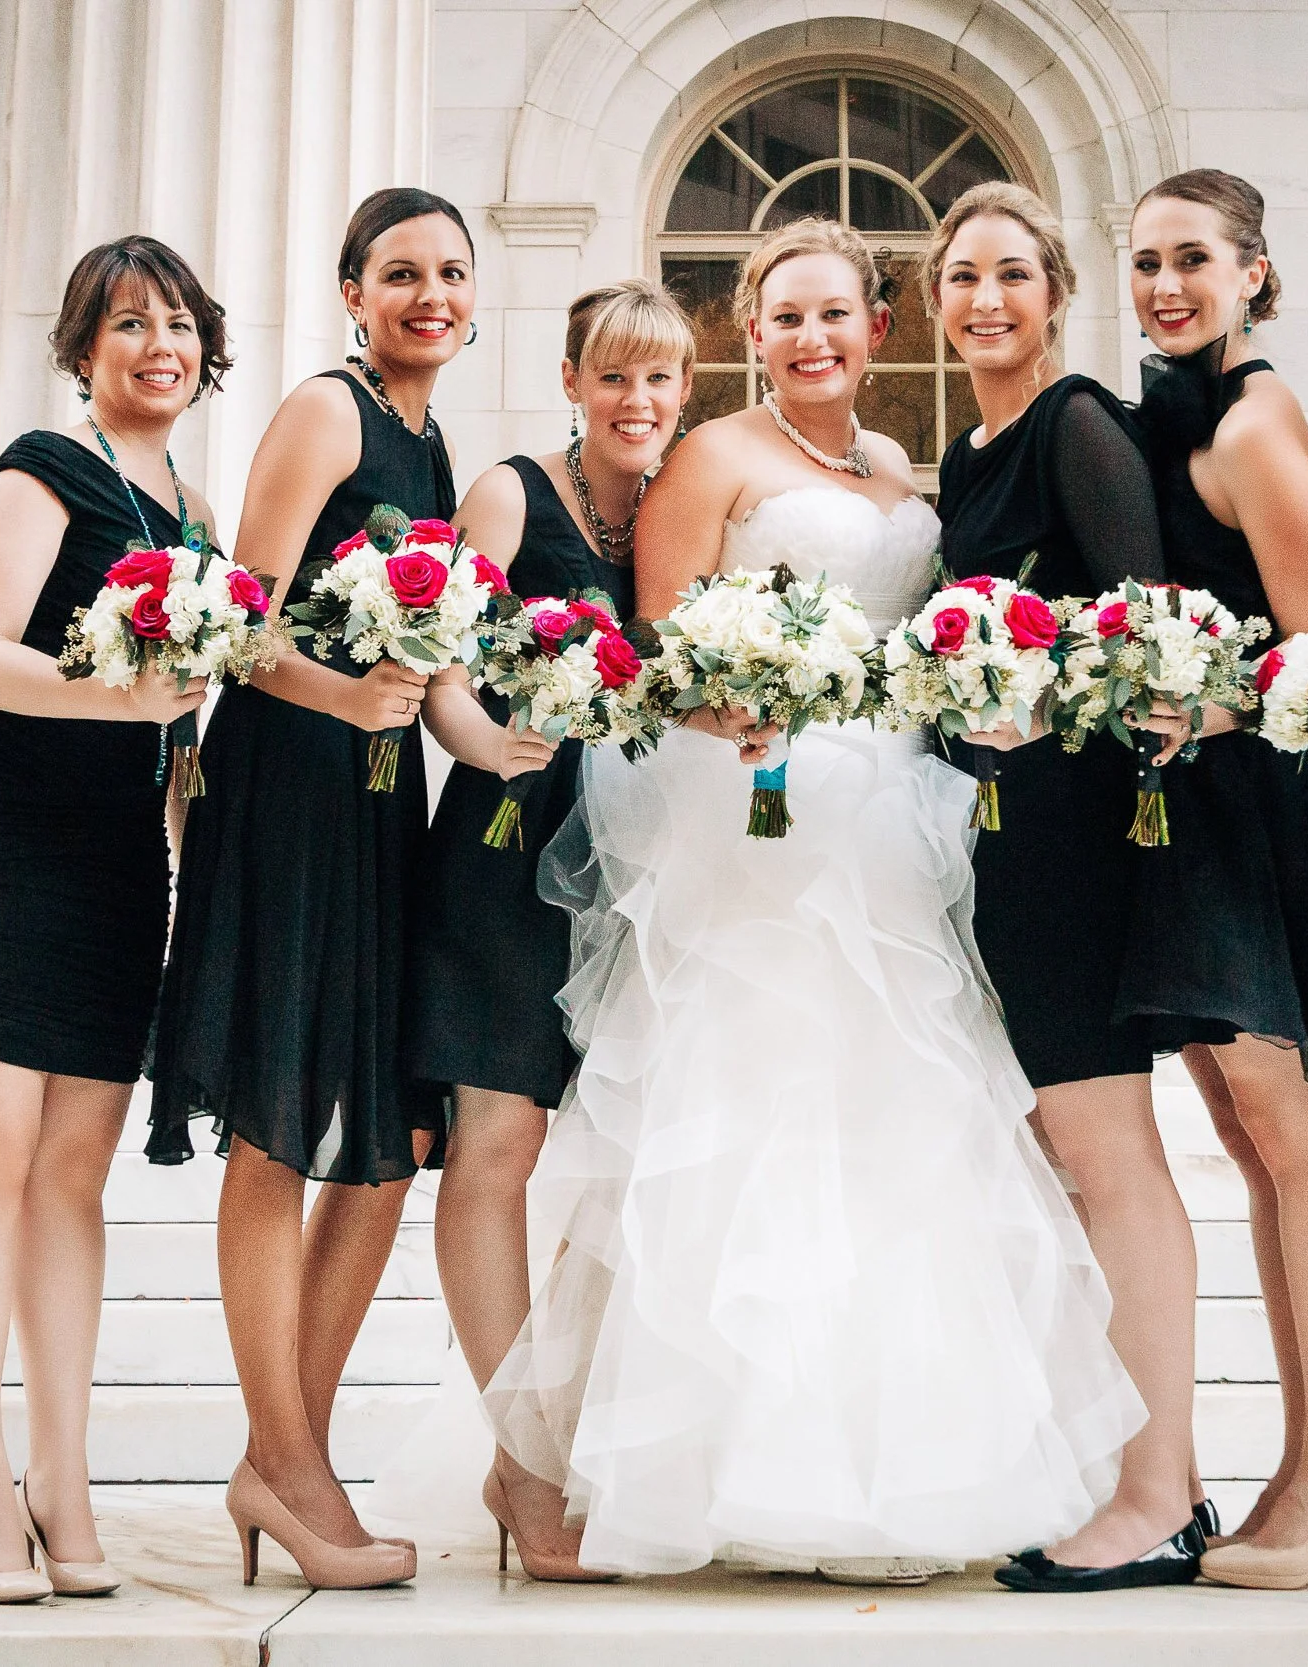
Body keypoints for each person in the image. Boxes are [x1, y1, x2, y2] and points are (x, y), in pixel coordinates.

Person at [485, 218, 1142, 1584]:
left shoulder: (908, 471)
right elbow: (659, 641)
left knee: (895, 1117)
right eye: (783, 318)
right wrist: (741, 701)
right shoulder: (713, 456)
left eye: (834, 314)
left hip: (895, 820)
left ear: (877, 329)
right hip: (752, 814)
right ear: (750, 332)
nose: (810, 339)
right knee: (745, 1108)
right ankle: (673, 1462)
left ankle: (877, 1471)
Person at [149, 188, 476, 1591]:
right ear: (354, 290)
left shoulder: (433, 435)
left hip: (381, 802)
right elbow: (233, 621)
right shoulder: (328, 411)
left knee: (387, 1146)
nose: (429, 295)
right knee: (279, 1130)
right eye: (400, 273)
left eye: (452, 273)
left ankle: (292, 1456)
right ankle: (285, 1467)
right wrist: (350, 697)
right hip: (290, 789)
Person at [0, 235, 228, 1602]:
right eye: (130, 324)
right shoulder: (46, 468)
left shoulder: (191, 509)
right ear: (83, 349)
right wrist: (121, 699)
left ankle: (63, 1473)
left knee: (73, 1173)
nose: (160, 345)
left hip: (111, 858)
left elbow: (187, 717)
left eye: (181, 325)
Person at [1124, 171, 1308, 1591]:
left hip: (1259, 820)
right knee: (1248, 1137)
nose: (1167, 283)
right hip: (1198, 815)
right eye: (1148, 261)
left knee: (1291, 1132)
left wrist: (1215, 705)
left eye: (1194, 259)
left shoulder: (1248, 426)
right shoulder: (1178, 414)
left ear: (1256, 274)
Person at [924, 181, 1201, 1593]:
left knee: (1110, 1156)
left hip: (1079, 839)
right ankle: (1119, 1470)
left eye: (1015, 276)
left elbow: (1147, 627)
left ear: (1056, 293)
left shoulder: (1078, 421)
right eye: (964, 276)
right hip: (998, 846)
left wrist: (1047, 701)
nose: (988, 299)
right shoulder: (964, 458)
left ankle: (1161, 1492)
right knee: (1059, 1157)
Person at [409, 279, 693, 1580]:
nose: (639, 403)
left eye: (662, 380)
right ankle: (523, 1464)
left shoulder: (682, 506)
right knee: (500, 1139)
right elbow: (442, 673)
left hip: (639, 863)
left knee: (630, 1150)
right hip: (507, 845)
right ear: (572, 382)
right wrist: (485, 738)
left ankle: (568, 1427)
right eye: (616, 378)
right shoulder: (514, 493)